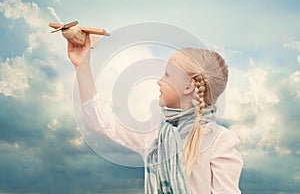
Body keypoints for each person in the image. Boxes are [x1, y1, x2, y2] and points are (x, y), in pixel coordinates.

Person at [68, 34, 243, 193]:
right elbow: (103, 122)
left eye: (167, 75)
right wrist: (82, 66)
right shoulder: (154, 132)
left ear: (188, 86)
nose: (159, 81)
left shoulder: (221, 141)